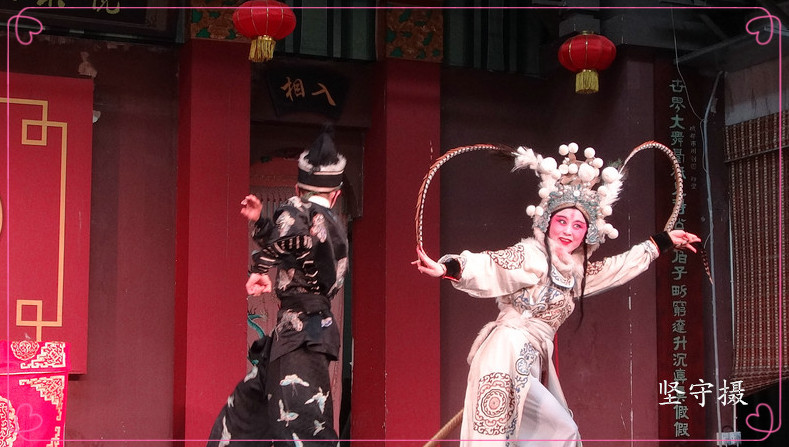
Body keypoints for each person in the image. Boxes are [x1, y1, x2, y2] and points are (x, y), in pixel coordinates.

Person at [413, 142, 700, 446]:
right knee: (501, 438)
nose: (567, 231)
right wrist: (449, 267)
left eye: (577, 226)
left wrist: (661, 243)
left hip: (530, 360)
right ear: (548, 222)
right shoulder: (532, 256)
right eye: (562, 221)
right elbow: (492, 265)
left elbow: (617, 268)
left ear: (587, 233)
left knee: (561, 432)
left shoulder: (575, 273)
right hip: (505, 352)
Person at [208, 124, 348, 447]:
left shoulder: (299, 209)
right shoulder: (334, 228)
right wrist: (262, 223)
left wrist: (260, 268)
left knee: (301, 429)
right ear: (336, 195)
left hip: (301, 337)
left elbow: (291, 240)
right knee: (245, 413)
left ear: (297, 190)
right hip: (299, 336)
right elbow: (298, 245)